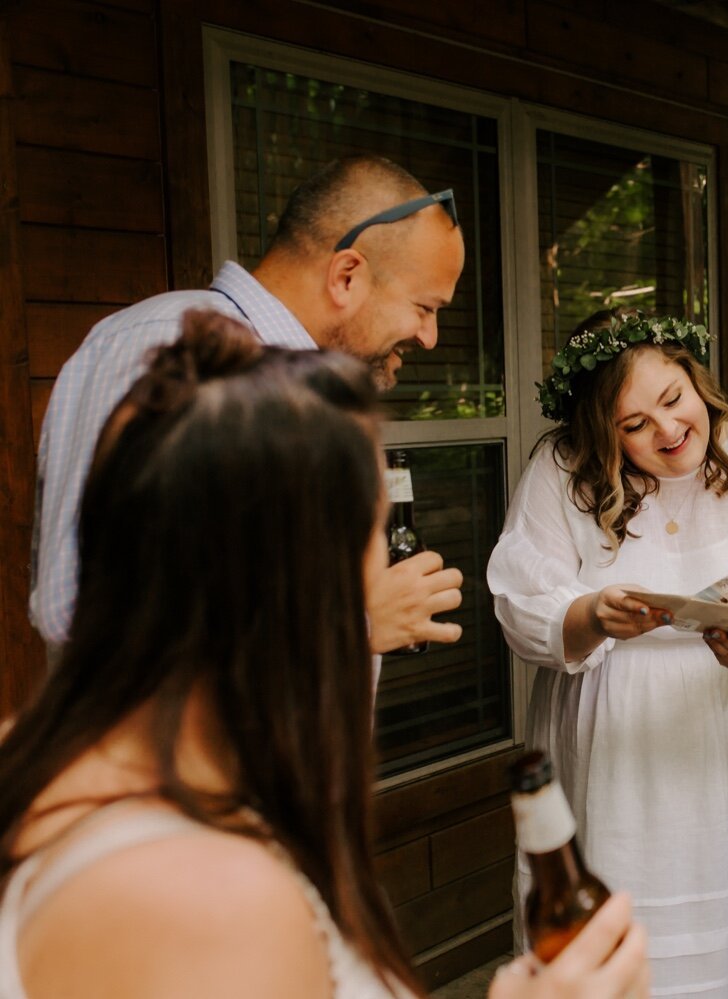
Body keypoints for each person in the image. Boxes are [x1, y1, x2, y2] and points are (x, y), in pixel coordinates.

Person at [0, 312, 649, 999]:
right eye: (377, 527)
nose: (395, 556)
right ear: (297, 577)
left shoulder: (37, 758)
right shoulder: (205, 899)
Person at [487, 309, 728, 998]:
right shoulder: (562, 473)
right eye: (633, 425)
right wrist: (592, 615)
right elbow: (520, 607)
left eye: (673, 400)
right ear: (598, 433)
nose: (669, 432)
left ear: (696, 378)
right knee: (618, 927)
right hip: (614, 743)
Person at [29, 154, 465, 658]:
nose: (430, 338)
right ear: (347, 275)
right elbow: (90, 610)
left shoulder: (316, 394)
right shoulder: (167, 350)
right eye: (425, 308)